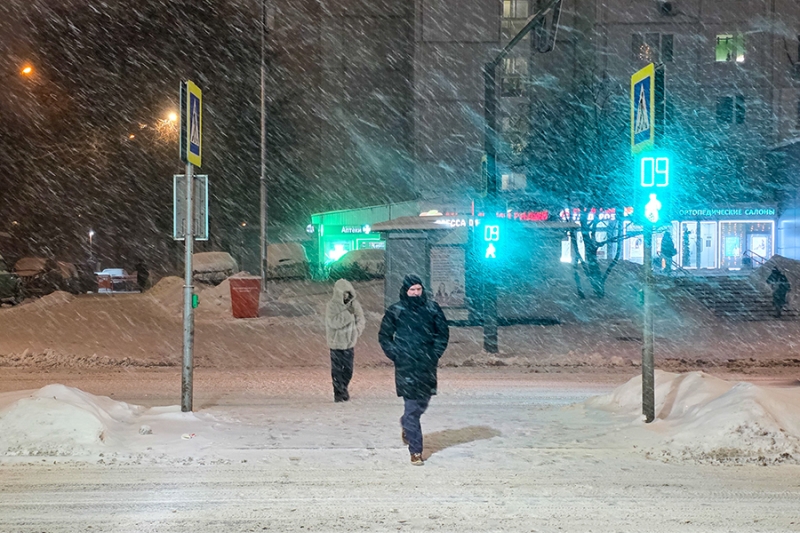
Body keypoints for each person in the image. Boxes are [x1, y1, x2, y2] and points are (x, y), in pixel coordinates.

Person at [379, 274, 450, 466]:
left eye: (418, 289)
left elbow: (442, 333)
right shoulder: (396, 310)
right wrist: (397, 354)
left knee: (421, 404)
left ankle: (406, 426)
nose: (416, 293)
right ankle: (416, 451)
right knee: (411, 407)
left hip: (426, 364)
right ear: (405, 291)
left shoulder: (432, 308)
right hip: (406, 365)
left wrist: (434, 353)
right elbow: (384, 336)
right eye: (412, 290)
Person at [325, 279, 365, 402]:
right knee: (337, 371)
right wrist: (348, 315)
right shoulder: (332, 306)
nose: (346, 296)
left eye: (348, 293)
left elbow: (361, 319)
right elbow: (333, 322)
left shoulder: (354, 305)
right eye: (343, 293)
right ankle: (338, 393)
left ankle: (344, 388)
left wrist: (356, 332)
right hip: (336, 344)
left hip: (349, 343)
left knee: (348, 369)